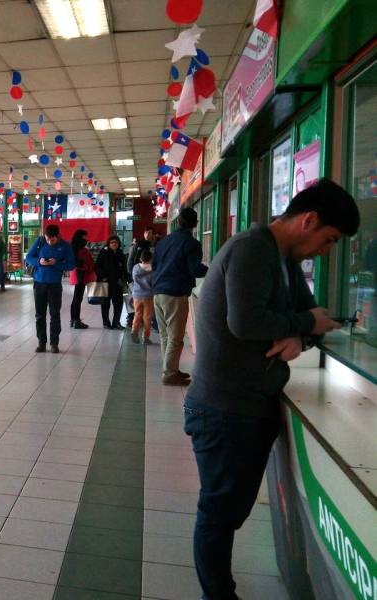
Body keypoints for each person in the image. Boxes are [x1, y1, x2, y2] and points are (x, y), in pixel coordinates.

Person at [185, 179, 358, 600]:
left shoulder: (280, 257)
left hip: (246, 407)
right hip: (224, 409)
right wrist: (303, 327)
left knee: (228, 510)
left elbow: (311, 315)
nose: (326, 250)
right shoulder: (252, 250)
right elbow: (247, 323)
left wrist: (302, 333)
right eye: (329, 240)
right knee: (218, 513)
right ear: (309, 220)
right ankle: (218, 595)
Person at [152, 207, 208, 385]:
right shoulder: (191, 244)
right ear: (195, 224)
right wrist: (214, 269)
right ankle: (169, 373)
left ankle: (170, 369)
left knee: (165, 335)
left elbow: (154, 265)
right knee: (175, 337)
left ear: (178, 222)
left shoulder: (163, 242)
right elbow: (195, 269)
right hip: (175, 294)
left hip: (158, 292)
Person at [25, 224, 75, 353]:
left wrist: (56, 263)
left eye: (52, 240)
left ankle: (54, 343)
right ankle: (41, 342)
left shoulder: (65, 246)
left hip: (54, 285)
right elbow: (29, 257)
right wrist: (39, 261)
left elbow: (71, 265)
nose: (49, 242)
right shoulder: (40, 241)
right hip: (39, 283)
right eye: (47, 239)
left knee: (55, 314)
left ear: (57, 236)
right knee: (39, 315)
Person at [94, 236, 129, 330]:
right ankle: (106, 323)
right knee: (105, 304)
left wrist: (127, 279)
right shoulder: (104, 253)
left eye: (116, 242)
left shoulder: (121, 254)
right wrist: (104, 276)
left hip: (117, 283)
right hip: (106, 283)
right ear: (109, 244)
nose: (114, 244)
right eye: (112, 242)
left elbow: (124, 268)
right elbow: (97, 267)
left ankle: (116, 323)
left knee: (118, 303)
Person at [125, 228, 155, 328]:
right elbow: (129, 264)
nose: (149, 235)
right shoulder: (136, 246)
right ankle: (131, 319)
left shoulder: (154, 246)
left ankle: (141, 320)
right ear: (144, 233)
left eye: (151, 233)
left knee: (145, 301)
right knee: (133, 299)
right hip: (135, 279)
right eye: (147, 233)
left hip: (148, 280)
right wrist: (133, 277)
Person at [69, 229, 95, 329]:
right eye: (84, 237)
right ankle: (76, 320)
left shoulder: (77, 247)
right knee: (77, 298)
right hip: (80, 274)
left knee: (77, 298)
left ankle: (74, 320)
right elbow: (77, 262)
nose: (86, 239)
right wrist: (86, 267)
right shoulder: (76, 248)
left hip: (79, 274)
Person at [130, 250, 154, 344]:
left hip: (137, 295)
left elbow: (133, 278)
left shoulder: (136, 267)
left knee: (137, 314)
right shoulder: (153, 269)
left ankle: (134, 331)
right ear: (151, 259)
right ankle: (146, 337)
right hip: (149, 296)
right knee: (147, 317)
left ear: (140, 258)